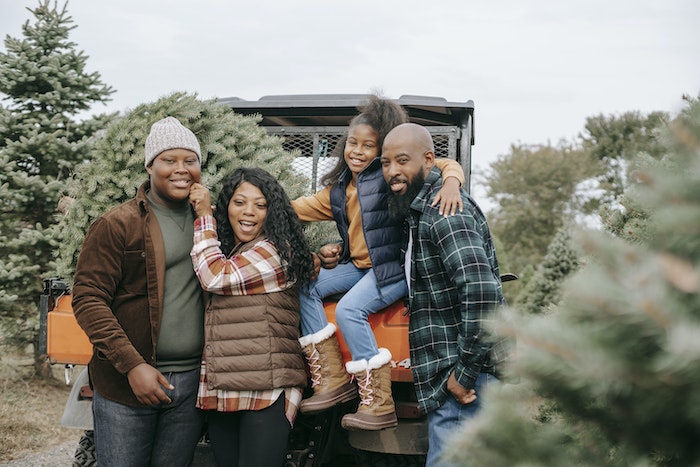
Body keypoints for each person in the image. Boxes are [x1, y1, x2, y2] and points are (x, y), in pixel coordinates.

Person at [291, 95, 466, 431]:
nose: (357, 151)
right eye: (352, 143)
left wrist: (452, 183)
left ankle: (378, 402)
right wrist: (254, 201)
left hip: (393, 268)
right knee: (307, 286)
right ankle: (332, 379)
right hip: (360, 267)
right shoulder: (339, 191)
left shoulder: (387, 179)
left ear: (381, 152)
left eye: (368, 146)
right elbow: (295, 208)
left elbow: (444, 164)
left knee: (348, 310)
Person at [72, 116, 205, 466]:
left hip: (192, 382)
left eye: (190, 161)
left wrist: (315, 258)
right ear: (150, 165)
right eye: (169, 160)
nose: (181, 169)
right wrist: (133, 366)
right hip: (127, 385)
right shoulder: (117, 224)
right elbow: (88, 299)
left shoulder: (210, 220)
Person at [381, 123, 511, 466]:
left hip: (468, 379)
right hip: (458, 375)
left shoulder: (445, 213)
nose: (392, 171)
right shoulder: (421, 211)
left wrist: (463, 373)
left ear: (428, 160)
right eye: (385, 163)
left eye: (402, 161)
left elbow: (483, 292)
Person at [188, 167, 316, 467]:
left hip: (265, 390)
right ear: (228, 207)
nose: (249, 212)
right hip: (224, 385)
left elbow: (213, 276)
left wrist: (204, 214)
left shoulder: (274, 252)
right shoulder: (232, 249)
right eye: (240, 202)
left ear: (272, 212)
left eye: (260, 205)